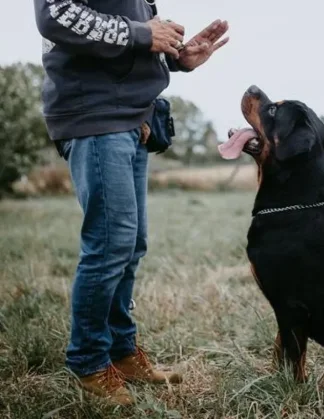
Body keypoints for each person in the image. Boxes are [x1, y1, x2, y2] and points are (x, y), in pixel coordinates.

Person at [33, 0, 229, 405]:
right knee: (109, 245)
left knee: (130, 245)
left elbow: (121, 38)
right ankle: (88, 362)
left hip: (129, 117)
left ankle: (121, 352)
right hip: (95, 117)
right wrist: (144, 34)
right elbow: (56, 15)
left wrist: (176, 58)